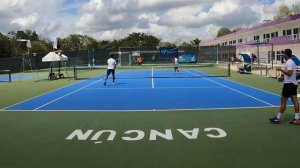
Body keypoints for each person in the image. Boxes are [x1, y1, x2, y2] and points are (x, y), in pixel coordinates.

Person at [269, 49, 300, 125]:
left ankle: (278, 118)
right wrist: (283, 75)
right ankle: (297, 119)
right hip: (293, 84)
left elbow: (289, 73)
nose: (283, 55)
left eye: (284, 53)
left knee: (283, 101)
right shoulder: (291, 62)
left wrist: (281, 69)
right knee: (295, 101)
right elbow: (289, 74)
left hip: (289, 85)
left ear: (286, 54)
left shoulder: (289, 62)